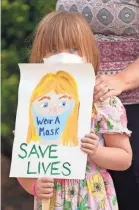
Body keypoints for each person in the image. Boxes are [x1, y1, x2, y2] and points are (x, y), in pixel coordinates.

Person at [17, 11, 132, 210]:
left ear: (90, 53)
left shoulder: (104, 103)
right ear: (40, 54)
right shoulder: (34, 104)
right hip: (53, 202)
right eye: (53, 50)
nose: (64, 57)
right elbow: (25, 161)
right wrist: (34, 186)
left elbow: (124, 158)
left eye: (74, 49)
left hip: (93, 199)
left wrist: (98, 152)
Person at [56, 1, 139, 210]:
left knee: (129, 193)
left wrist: (121, 79)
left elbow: (122, 159)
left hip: (126, 103)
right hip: (67, 97)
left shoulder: (111, 108)